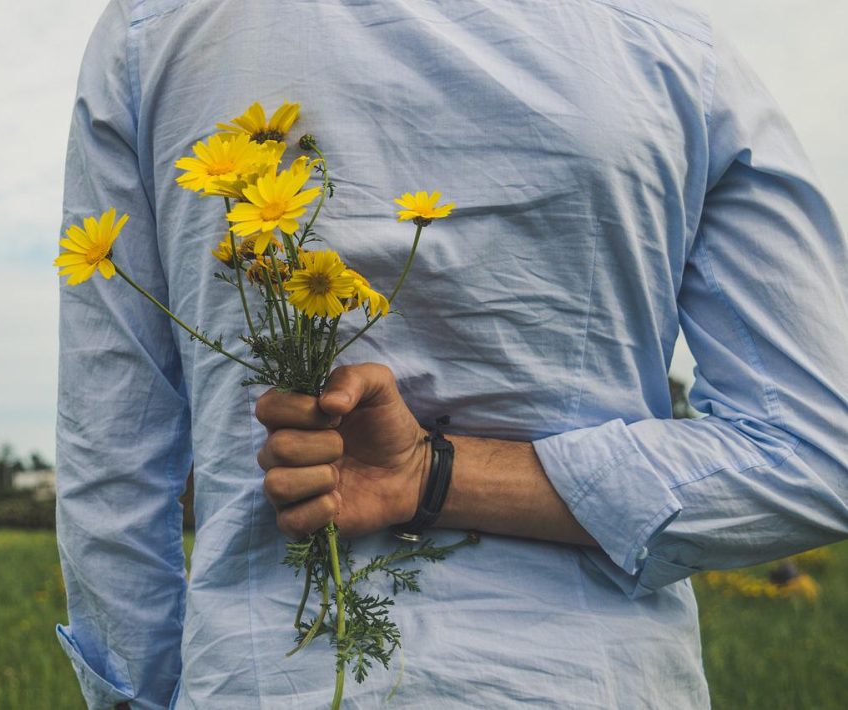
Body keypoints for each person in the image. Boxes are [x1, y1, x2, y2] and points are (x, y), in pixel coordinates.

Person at [53, 0, 848, 708]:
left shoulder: (154, 30)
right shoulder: (677, 48)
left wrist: (426, 474)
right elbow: (818, 450)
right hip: (597, 679)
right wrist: (444, 476)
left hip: (263, 677)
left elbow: (110, 461)